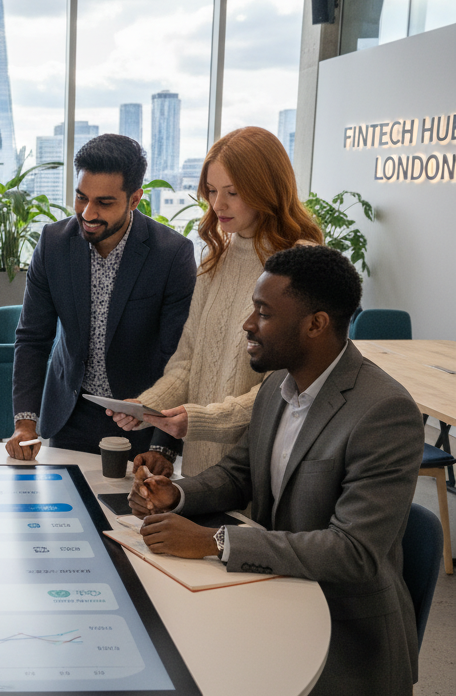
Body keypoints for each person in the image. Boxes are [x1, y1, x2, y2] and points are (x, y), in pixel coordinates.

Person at [128, 245, 423, 696]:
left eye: (262, 311)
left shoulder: (384, 411)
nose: (247, 323)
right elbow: (239, 475)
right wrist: (177, 494)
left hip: (344, 618)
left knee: (198, 650)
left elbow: (355, 552)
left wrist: (214, 544)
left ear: (315, 324)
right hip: (276, 586)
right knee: (164, 625)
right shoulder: (277, 389)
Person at [110, 126, 323, 477]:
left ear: (267, 190)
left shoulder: (303, 265)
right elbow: (188, 362)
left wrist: (202, 421)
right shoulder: (215, 259)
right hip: (200, 470)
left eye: (233, 192)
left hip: (258, 472)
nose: (217, 204)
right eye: (211, 190)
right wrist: (148, 406)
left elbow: (286, 389)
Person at [6, 134, 196, 461]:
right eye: (81, 198)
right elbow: (33, 339)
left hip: (141, 417)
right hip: (70, 412)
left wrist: (162, 446)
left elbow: (177, 357)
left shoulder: (172, 255)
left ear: (134, 199)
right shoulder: (53, 244)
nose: (88, 213)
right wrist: (26, 422)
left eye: (104, 203)